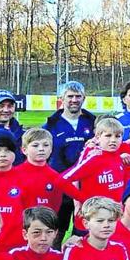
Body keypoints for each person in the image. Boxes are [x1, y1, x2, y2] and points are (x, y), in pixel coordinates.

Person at [43, 81, 97, 243]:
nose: (74, 100)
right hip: (59, 186)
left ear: (84, 98)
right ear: (62, 99)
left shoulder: (92, 123)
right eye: (70, 96)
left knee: (85, 231)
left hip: (87, 187)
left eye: (78, 96)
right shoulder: (50, 125)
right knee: (55, 232)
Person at [61, 117, 127, 235]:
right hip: (91, 221)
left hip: (112, 218)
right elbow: (62, 180)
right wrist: (83, 200)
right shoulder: (94, 157)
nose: (113, 140)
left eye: (117, 136)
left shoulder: (118, 156)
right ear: (97, 137)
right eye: (108, 136)